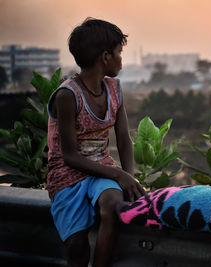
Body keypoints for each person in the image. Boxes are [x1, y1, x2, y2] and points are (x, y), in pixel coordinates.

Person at [47, 18, 145, 267]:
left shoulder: (115, 90)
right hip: (67, 174)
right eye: (119, 53)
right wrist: (118, 174)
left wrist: (128, 178)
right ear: (105, 57)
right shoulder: (68, 95)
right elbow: (70, 156)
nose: (121, 59)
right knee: (77, 245)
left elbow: (124, 139)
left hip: (102, 170)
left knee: (113, 205)